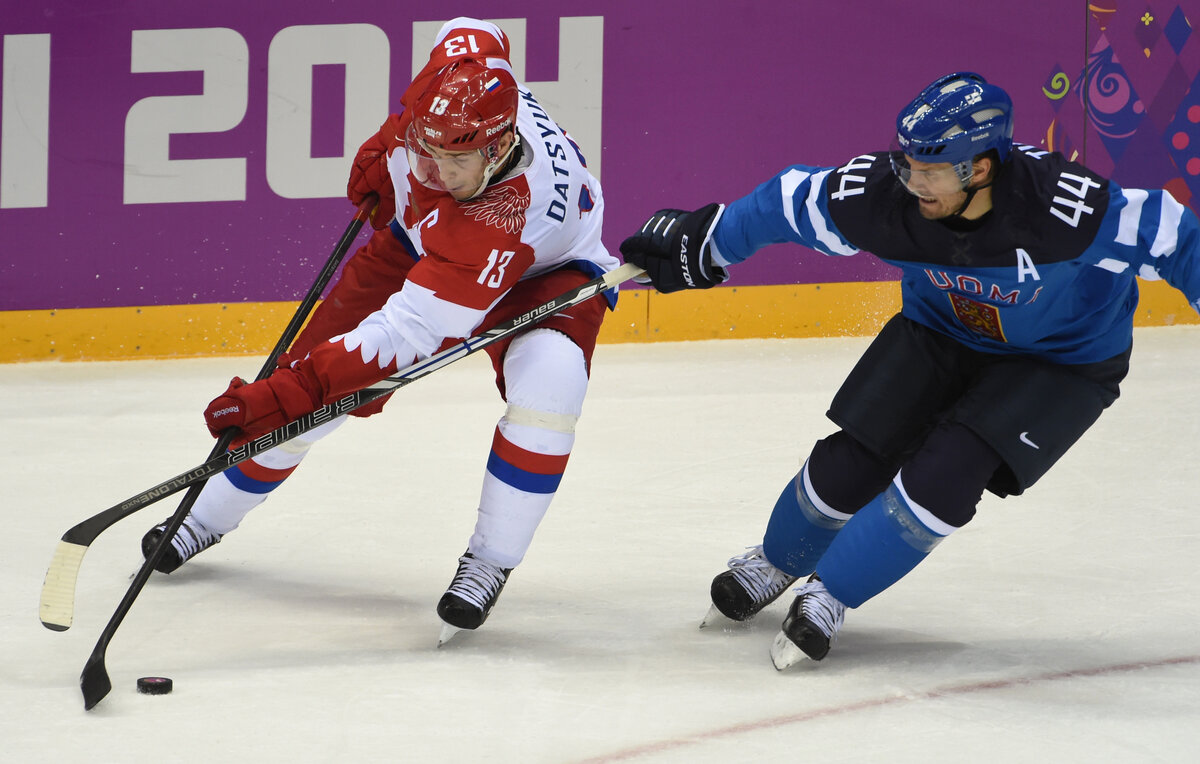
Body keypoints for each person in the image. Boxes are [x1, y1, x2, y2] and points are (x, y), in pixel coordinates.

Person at [619, 72, 1200, 669]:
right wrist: (707, 244)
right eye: (907, 163)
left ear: (980, 166)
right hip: (944, 331)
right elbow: (787, 203)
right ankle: (778, 558)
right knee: (854, 459)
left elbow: (1179, 237)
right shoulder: (884, 197)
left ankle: (833, 592)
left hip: (1061, 362)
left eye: (932, 169)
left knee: (946, 474)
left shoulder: (1067, 210)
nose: (912, 181)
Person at [141, 17, 619, 644]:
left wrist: (287, 394)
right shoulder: (464, 74)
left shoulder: (500, 222)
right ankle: (205, 517)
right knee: (313, 388)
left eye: (452, 159)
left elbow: (393, 341)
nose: (431, 169)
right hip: (427, 241)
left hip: (546, 272)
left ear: (497, 149)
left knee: (550, 389)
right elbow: (472, 27)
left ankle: (490, 561)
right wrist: (394, 143)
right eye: (427, 149)